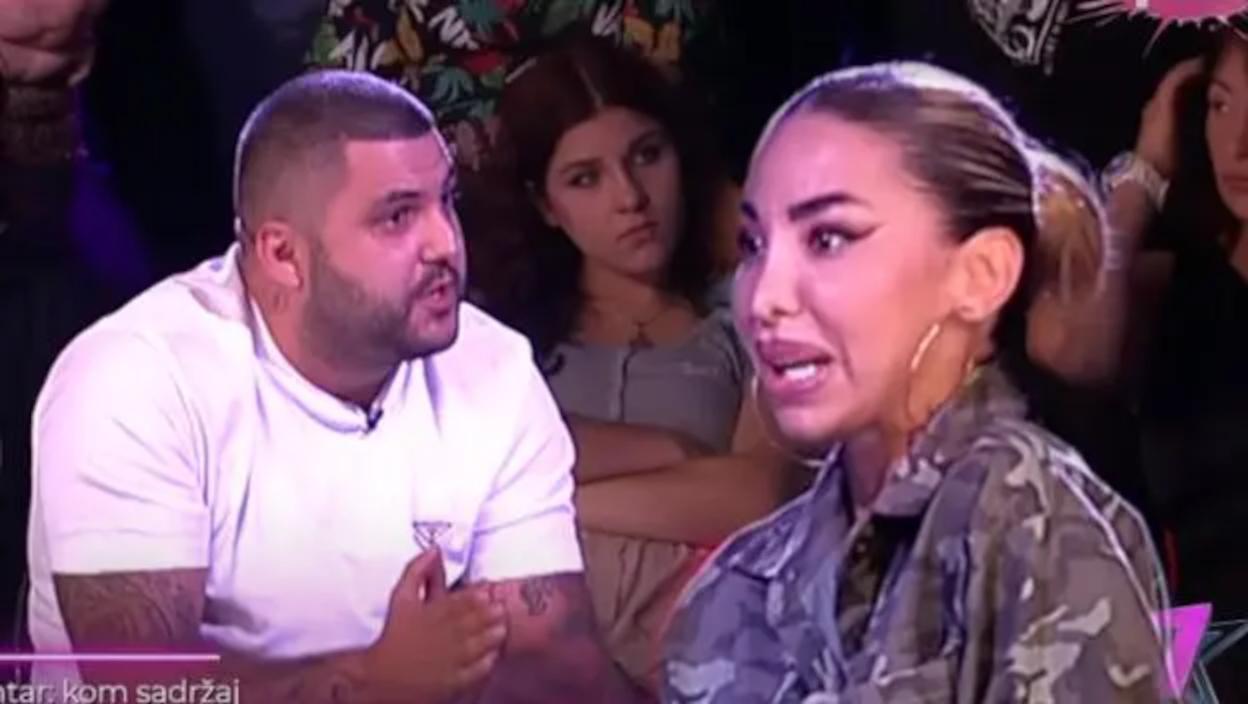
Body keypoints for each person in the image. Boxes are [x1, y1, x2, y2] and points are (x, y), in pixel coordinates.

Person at [26, 69, 640, 703]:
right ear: (282, 255)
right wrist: (374, 683)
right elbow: (141, 687)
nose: (446, 243)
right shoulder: (135, 381)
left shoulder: (494, 368)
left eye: (446, 200)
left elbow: (555, 661)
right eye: (398, 216)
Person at [661, 62, 1172, 702]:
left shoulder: (1027, 520)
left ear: (982, 273)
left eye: (828, 238)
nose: (764, 297)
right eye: (753, 244)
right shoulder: (736, 586)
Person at [464, 34, 804, 694]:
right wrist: (672, 454)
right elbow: (461, 475)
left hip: (717, 660)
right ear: (546, 206)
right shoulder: (499, 341)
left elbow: (757, 496)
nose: (630, 197)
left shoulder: (749, 316)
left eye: (647, 156)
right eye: (585, 178)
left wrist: (552, 504)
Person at [1093, 27, 1248, 694]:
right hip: (1183, 658)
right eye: (1220, 105)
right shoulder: (1175, 287)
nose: (1239, 145)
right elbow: (1071, 348)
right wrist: (1145, 168)